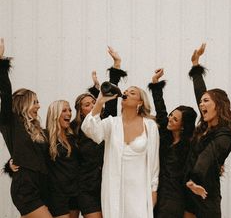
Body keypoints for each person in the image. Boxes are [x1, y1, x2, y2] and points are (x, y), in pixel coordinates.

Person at [81, 84, 159, 218]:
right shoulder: (112, 123)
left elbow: (154, 163)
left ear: (140, 102)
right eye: (125, 92)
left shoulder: (150, 126)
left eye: (132, 93)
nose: (126, 93)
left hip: (140, 191)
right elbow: (90, 130)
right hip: (114, 189)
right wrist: (100, 102)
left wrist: (153, 190)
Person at [70, 46, 127, 218]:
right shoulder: (74, 129)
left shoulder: (107, 122)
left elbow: (111, 98)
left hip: (107, 184)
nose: (92, 105)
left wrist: (116, 65)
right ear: (80, 111)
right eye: (86, 104)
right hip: (86, 187)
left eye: (93, 102)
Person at [0, 38, 53, 218]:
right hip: (25, 189)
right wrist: (1, 64)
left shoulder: (40, 130)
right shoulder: (11, 123)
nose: (39, 106)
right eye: (35, 102)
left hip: (42, 187)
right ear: (24, 104)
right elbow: (6, 93)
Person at [184, 43, 231, 218]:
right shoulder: (205, 126)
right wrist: (196, 65)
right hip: (190, 189)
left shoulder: (226, 135)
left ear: (218, 106)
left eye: (206, 101)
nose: (201, 104)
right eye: (201, 102)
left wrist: (194, 181)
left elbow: (208, 156)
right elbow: (200, 91)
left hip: (206, 193)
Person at [148, 69, 197, 218]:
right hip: (157, 192)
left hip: (175, 198)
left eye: (175, 119)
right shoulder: (165, 134)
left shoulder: (189, 147)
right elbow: (160, 108)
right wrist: (155, 83)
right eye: (171, 115)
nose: (170, 119)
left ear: (183, 126)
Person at [46, 100, 80, 218]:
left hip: (74, 192)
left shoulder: (73, 136)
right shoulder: (46, 137)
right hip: (57, 193)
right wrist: (10, 163)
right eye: (64, 110)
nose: (69, 114)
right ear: (55, 114)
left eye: (70, 110)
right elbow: (30, 154)